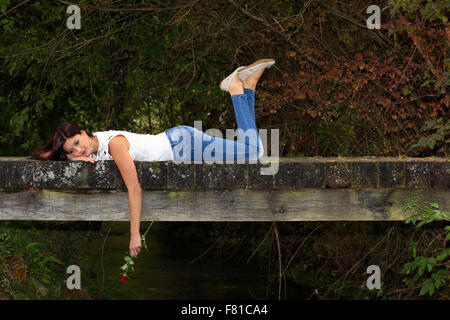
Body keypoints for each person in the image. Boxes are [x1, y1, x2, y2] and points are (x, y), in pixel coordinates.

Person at [34, 59, 275, 258]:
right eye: (72, 151)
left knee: (253, 152)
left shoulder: (114, 145)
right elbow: (46, 154)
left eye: (77, 143)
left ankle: (235, 88)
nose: (79, 150)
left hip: (183, 145)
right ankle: (249, 86)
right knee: (250, 149)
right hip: (179, 143)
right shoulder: (95, 144)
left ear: (84, 133)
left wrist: (134, 234)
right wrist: (72, 159)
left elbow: (134, 189)